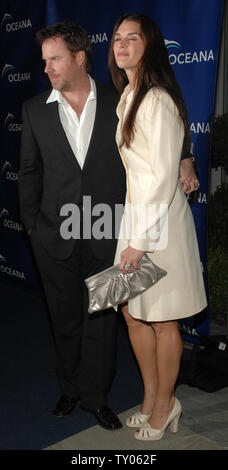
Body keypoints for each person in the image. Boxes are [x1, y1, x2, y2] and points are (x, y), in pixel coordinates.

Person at [19, 20, 199, 431]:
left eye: (55, 59)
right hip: (55, 233)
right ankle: (71, 388)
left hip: (110, 230)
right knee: (64, 317)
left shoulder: (121, 97)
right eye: (44, 61)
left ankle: (98, 397)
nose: (46, 68)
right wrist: (32, 228)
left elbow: (163, 131)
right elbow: (28, 172)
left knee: (103, 320)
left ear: (80, 58)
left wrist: (186, 155)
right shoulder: (33, 110)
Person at [108, 13, 207, 441]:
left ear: (150, 46)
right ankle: (151, 398)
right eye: (117, 38)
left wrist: (140, 242)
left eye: (133, 38)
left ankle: (167, 405)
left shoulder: (157, 99)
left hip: (158, 224)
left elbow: (165, 177)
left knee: (163, 320)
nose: (122, 44)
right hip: (137, 218)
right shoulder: (129, 95)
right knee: (132, 314)